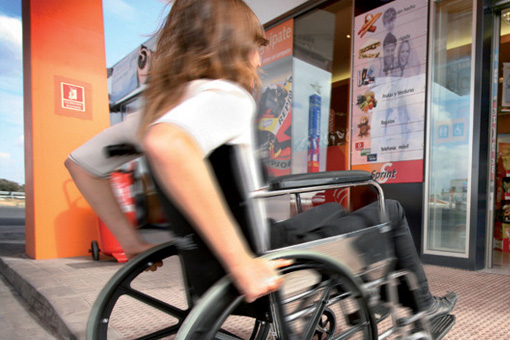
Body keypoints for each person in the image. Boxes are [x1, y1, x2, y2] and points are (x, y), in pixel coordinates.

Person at [66, 0, 456, 317]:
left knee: (332, 215)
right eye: (255, 47)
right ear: (233, 48)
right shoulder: (226, 96)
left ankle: (374, 298)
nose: (257, 60)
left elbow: (81, 164)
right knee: (389, 213)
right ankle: (423, 309)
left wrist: (131, 240)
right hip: (260, 253)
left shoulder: (156, 111)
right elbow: (169, 146)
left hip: (222, 257)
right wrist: (242, 264)